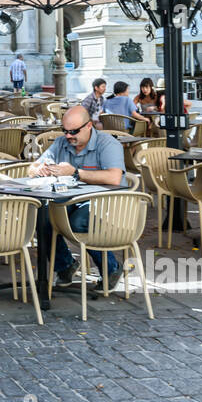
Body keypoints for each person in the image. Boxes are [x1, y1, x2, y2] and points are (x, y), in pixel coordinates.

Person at [29, 105, 126, 286]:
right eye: (64, 131)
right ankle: (65, 265)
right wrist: (39, 169)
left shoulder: (107, 144)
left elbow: (114, 178)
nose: (68, 136)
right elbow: (32, 168)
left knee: (78, 221)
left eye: (73, 131)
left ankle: (111, 268)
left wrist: (75, 173)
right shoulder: (61, 143)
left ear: (89, 126)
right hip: (71, 199)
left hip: (108, 202)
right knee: (43, 217)